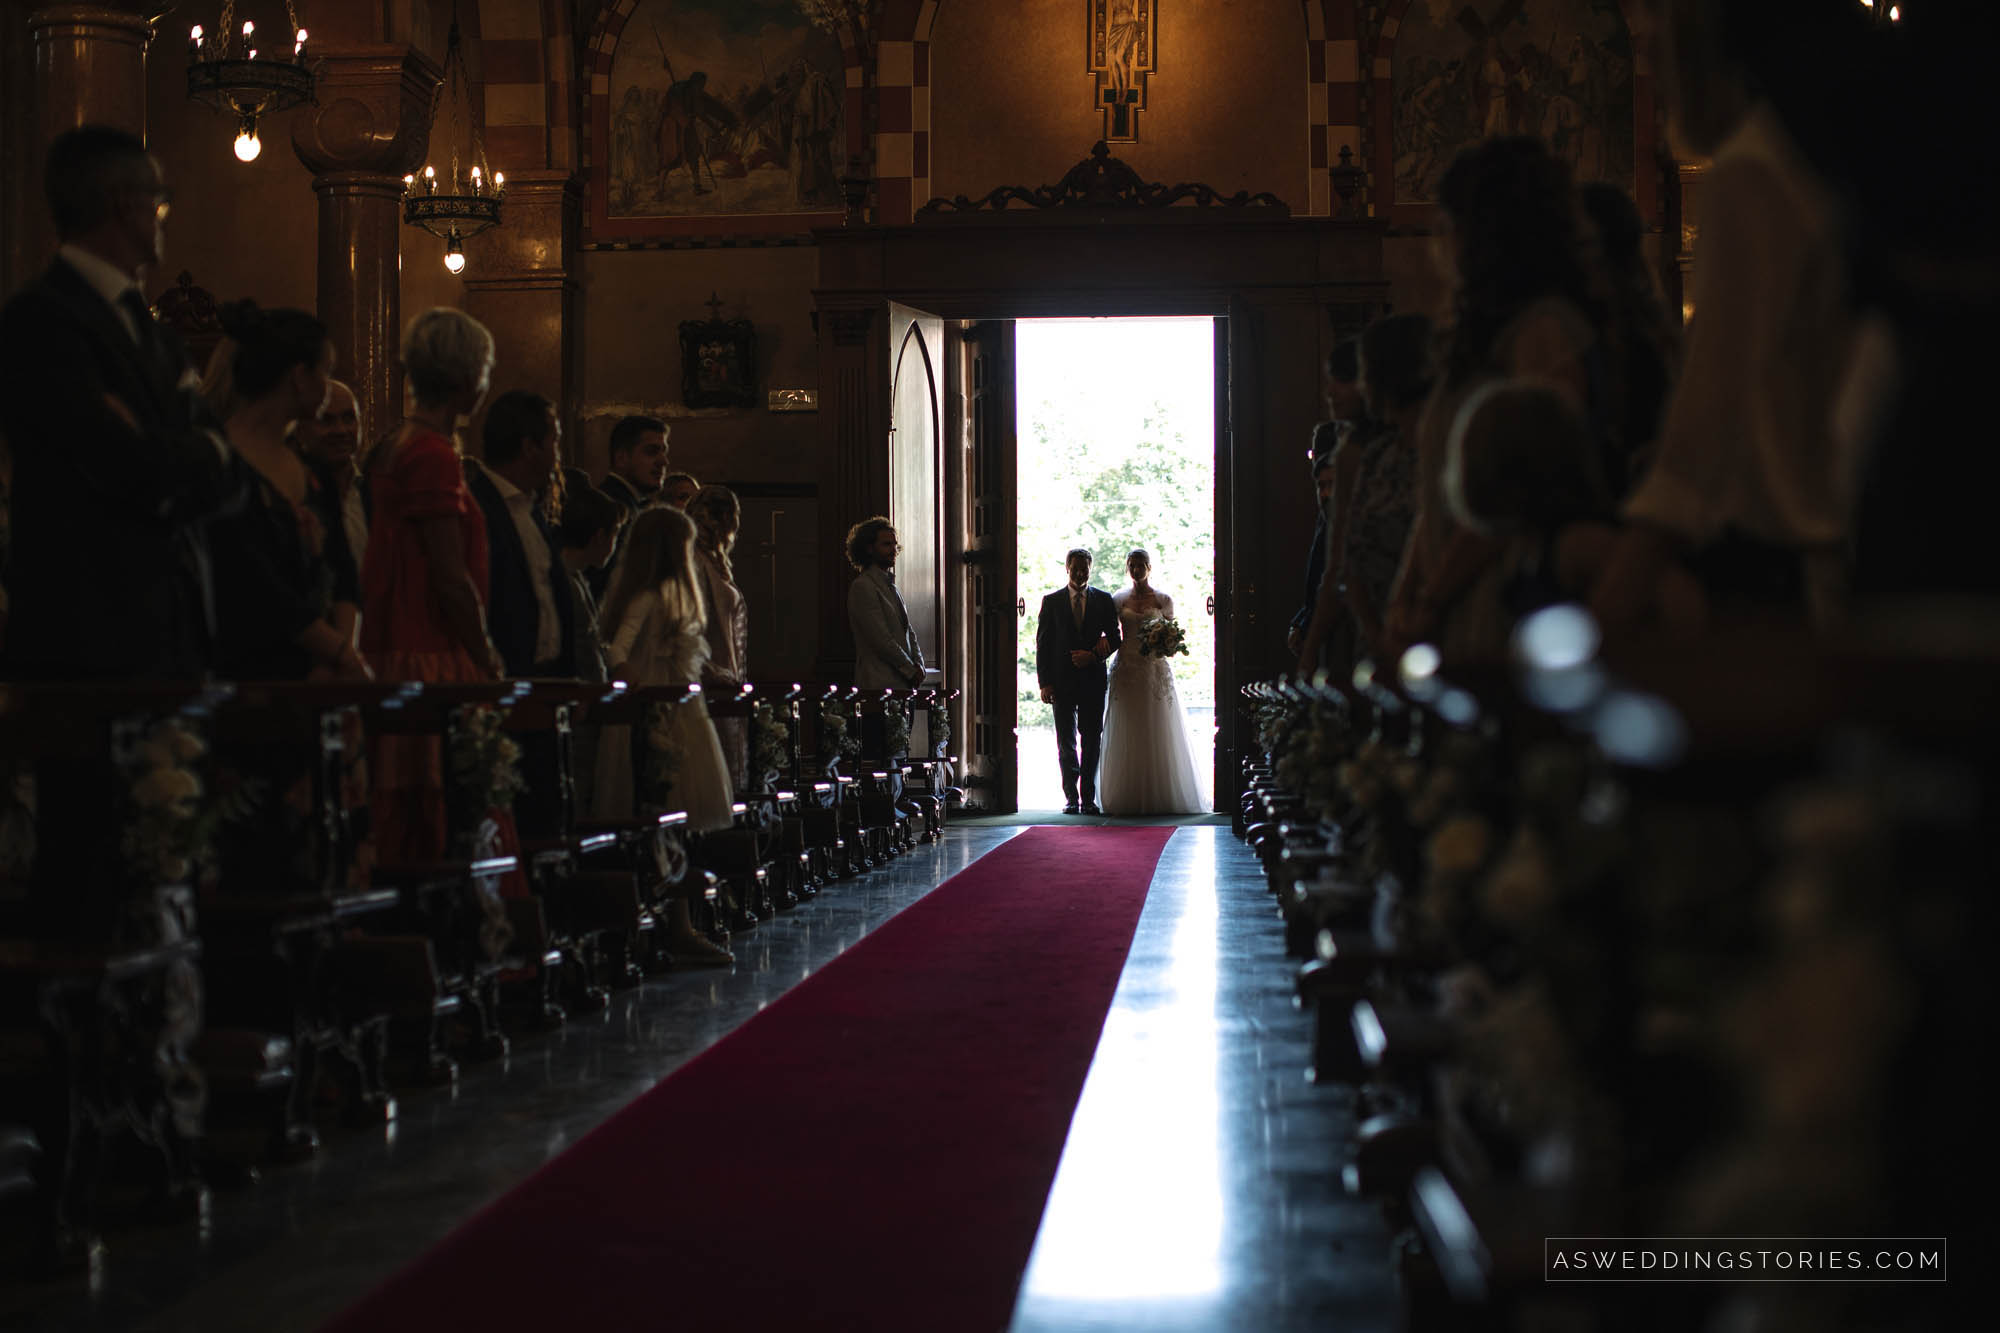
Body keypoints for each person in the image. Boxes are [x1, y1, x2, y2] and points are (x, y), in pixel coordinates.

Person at [0, 124, 246, 681]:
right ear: (123, 203)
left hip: (174, 632)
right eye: (160, 202)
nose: (164, 217)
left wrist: (181, 448)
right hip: (84, 636)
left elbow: (225, 468)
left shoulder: (155, 332)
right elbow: (122, 464)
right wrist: (192, 451)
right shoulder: (41, 320)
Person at [361, 308, 507, 868]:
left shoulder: (400, 443)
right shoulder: (432, 454)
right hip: (433, 654)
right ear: (469, 377)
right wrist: (486, 654)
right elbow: (450, 575)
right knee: (452, 822)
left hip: (401, 646)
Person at [592, 506, 737, 966]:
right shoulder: (650, 597)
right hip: (661, 716)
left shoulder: (672, 595)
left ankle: (679, 919)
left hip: (681, 709)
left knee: (679, 820)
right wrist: (640, 687)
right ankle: (671, 922)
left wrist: (710, 673)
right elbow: (616, 650)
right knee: (664, 813)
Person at [206, 302, 369, 682]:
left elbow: (343, 572)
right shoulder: (218, 463)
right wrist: (339, 653)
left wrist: (340, 655)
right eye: (326, 372)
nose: (329, 386)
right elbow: (255, 586)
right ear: (299, 377)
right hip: (251, 677)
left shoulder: (313, 471)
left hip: (324, 672)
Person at [468, 389, 574, 678]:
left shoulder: (531, 510)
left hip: (546, 683)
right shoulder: (477, 508)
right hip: (503, 683)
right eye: (555, 441)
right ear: (529, 447)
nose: (557, 454)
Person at [1098, 549, 1206, 816]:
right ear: (1127, 568)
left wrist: (1166, 645)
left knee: (1157, 726)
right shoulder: (1117, 599)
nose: (1136, 569)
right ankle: (1126, 794)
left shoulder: (1162, 599)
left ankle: (1162, 793)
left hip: (1154, 668)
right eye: (1131, 565)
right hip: (1126, 668)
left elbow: (1174, 635)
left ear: (1149, 567)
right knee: (1128, 726)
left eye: (1140, 565)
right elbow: (1111, 633)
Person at [1035, 547, 1122, 816]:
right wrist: (1044, 683)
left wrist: (1093, 655)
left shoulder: (1104, 600)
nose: (1081, 573)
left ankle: (1089, 798)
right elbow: (1043, 645)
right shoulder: (1051, 601)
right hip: (1061, 683)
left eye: (1085, 568)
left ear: (1090, 569)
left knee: (1092, 740)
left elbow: (1116, 638)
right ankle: (1071, 797)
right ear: (1067, 568)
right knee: (1066, 742)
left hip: (1093, 681)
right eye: (1076, 568)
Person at [845, 515, 927, 760]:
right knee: (882, 757)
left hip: (902, 686)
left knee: (899, 754)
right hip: (878, 684)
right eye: (886, 544)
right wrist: (909, 669)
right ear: (869, 548)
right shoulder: (863, 587)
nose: (893, 550)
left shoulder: (891, 586)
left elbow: (907, 630)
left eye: (894, 545)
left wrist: (919, 664)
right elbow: (880, 638)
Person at [295, 379, 369, 649]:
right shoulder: (293, 494)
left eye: (349, 418)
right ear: (301, 429)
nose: (340, 430)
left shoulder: (375, 494)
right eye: (326, 420)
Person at [690, 484, 749, 789]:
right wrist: (712, 671)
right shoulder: (695, 562)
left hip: (728, 675)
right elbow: (690, 628)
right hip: (710, 678)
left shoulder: (716, 563)